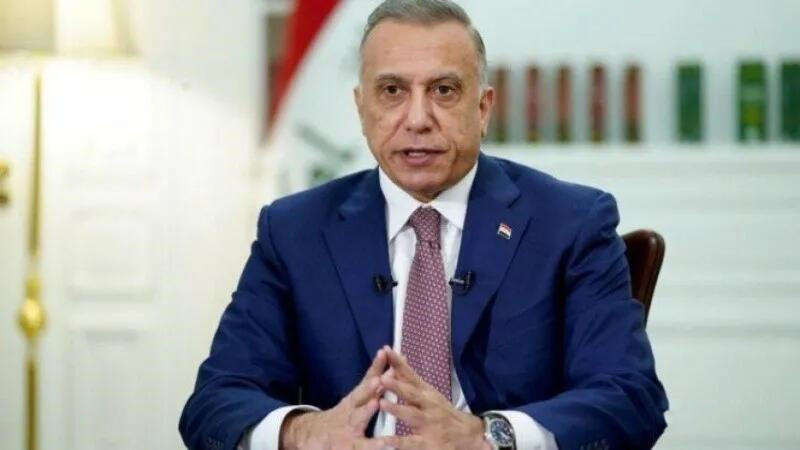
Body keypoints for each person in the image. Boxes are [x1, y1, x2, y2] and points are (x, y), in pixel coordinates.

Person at [179, 1, 668, 449]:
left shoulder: (570, 223)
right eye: (392, 91)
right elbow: (215, 403)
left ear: (483, 108)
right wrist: (306, 434)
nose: (417, 119)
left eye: (444, 90)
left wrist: (487, 437)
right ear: (362, 109)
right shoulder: (294, 232)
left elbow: (629, 397)